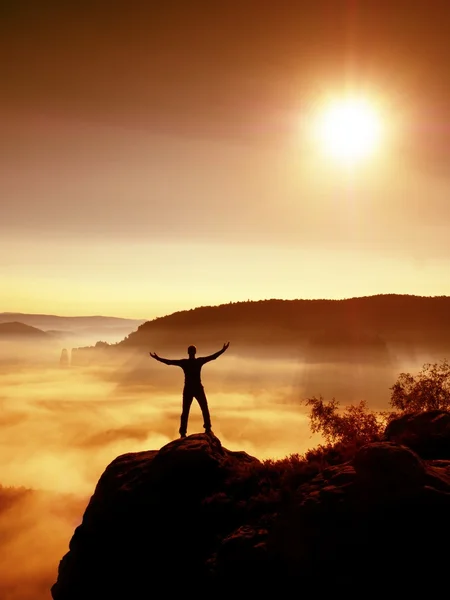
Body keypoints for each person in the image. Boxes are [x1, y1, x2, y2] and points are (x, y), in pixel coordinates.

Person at [149, 342, 230, 438]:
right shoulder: (198, 361)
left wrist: (157, 358)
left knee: (186, 411)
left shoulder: (185, 362)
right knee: (203, 408)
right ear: (195, 352)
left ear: (188, 352)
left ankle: (183, 432)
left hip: (189, 388)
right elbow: (213, 357)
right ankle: (207, 428)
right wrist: (223, 350)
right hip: (197, 388)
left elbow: (169, 362)